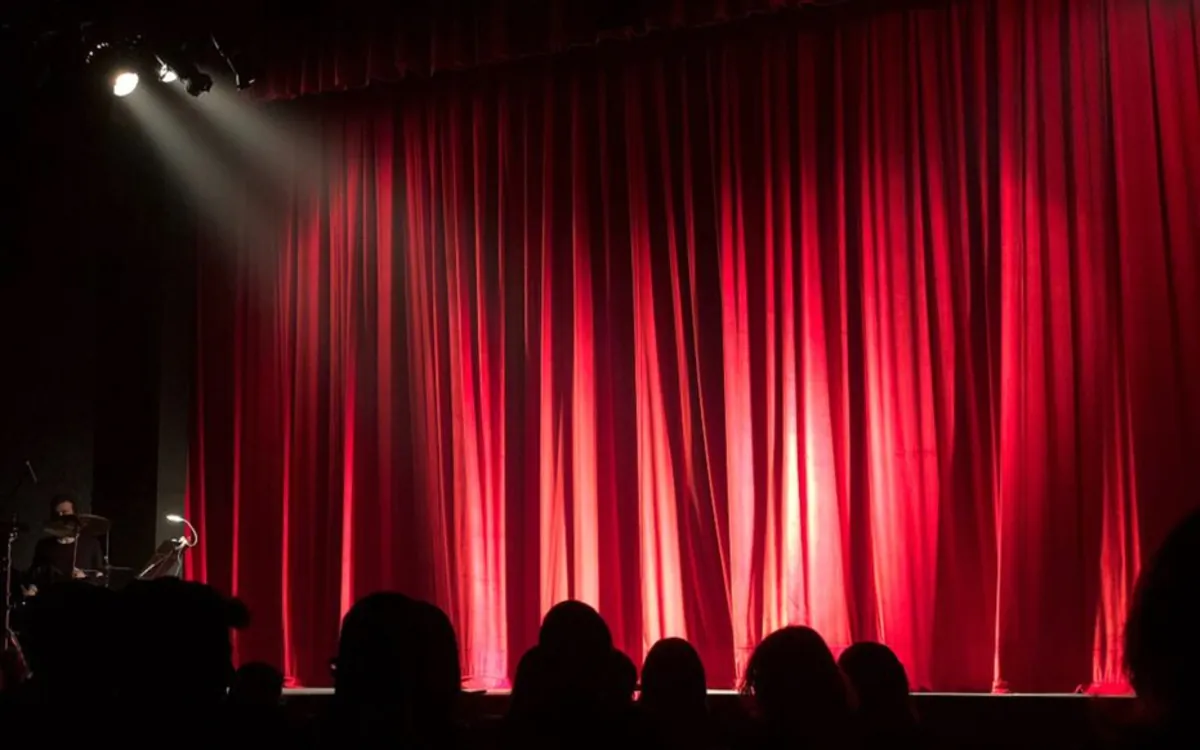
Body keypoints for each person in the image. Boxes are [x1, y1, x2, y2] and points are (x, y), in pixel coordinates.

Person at [22, 495, 104, 595]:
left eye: (65, 513)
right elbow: (34, 575)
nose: (61, 518)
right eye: (57, 514)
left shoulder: (91, 544)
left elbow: (101, 577)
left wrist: (85, 576)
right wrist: (32, 588)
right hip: (51, 601)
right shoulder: (44, 545)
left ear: (75, 516)